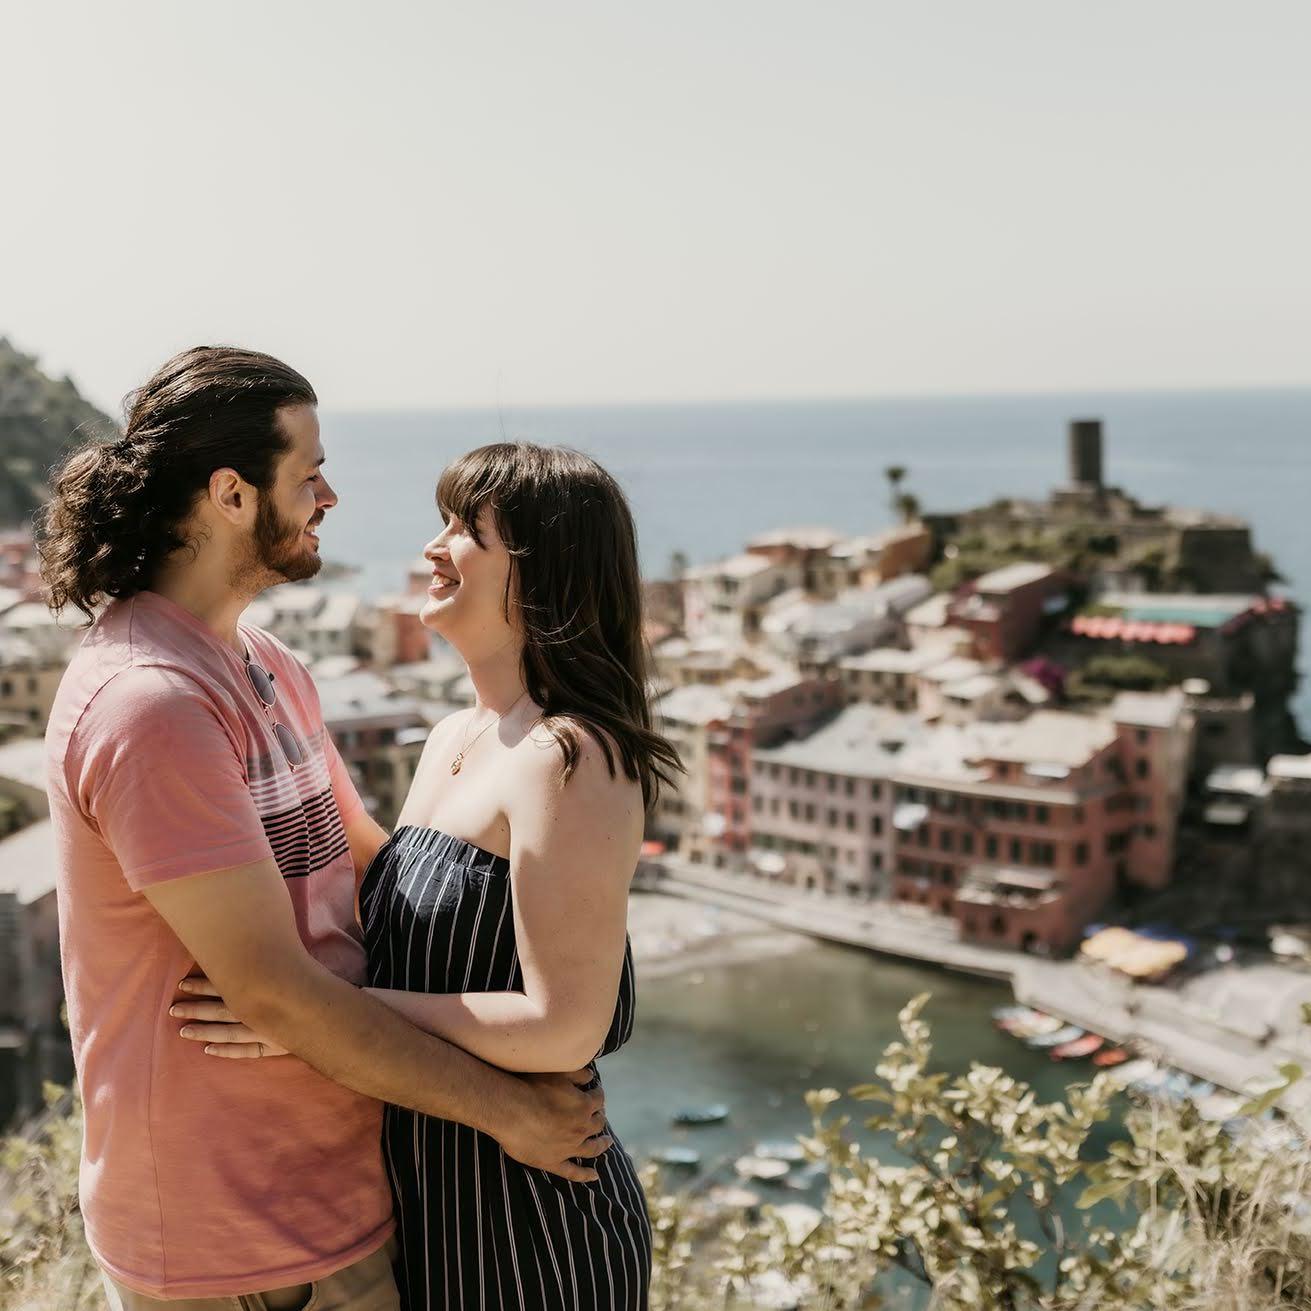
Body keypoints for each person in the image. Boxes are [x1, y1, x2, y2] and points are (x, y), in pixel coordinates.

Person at [41, 349, 609, 1311]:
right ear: (230, 492)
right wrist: (510, 1111)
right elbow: (273, 992)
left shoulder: (263, 665)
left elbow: (369, 873)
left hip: (331, 1209)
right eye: (308, 474)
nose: (329, 494)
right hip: (235, 1244)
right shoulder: (152, 704)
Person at [174, 442, 682, 1310]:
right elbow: (373, 875)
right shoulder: (455, 737)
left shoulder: (573, 755)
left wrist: (306, 1017)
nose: (432, 548)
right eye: (442, 521)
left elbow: (562, 1026)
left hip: (532, 1224)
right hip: (432, 1204)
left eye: (466, 529)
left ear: (539, 565)